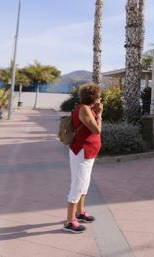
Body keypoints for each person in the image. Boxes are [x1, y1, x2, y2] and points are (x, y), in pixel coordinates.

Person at [63, 83, 103, 233]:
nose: (100, 99)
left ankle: (79, 213)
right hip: (81, 151)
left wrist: (96, 112)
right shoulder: (84, 109)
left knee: (84, 183)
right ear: (93, 97)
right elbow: (97, 130)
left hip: (88, 152)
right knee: (78, 184)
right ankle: (69, 221)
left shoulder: (87, 109)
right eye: (99, 96)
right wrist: (99, 114)